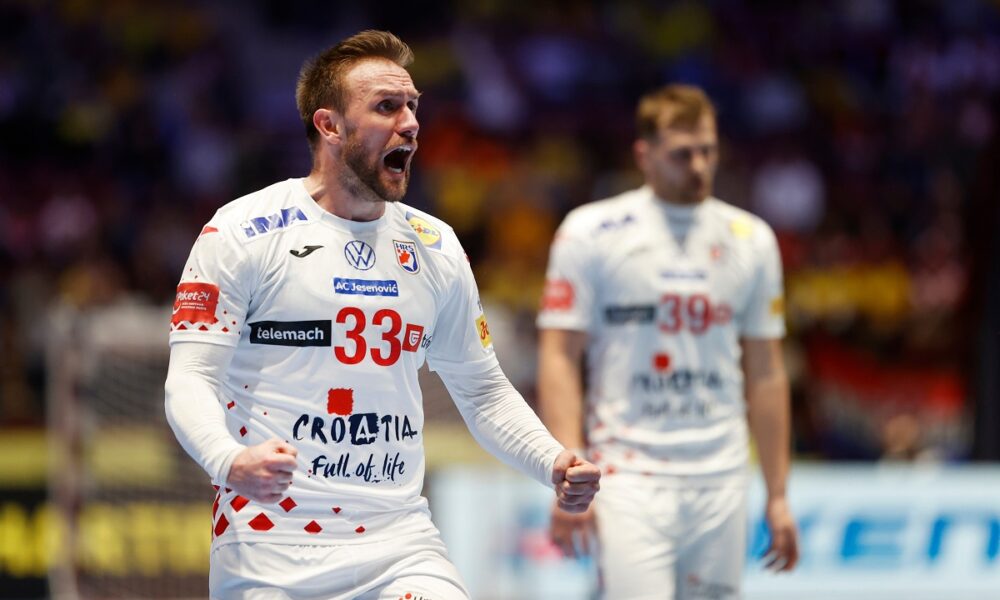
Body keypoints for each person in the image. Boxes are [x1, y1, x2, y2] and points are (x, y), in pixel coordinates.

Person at [164, 30, 600, 600]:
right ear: (330, 126)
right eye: (387, 107)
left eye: (413, 106)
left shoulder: (435, 245)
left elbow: (483, 391)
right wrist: (229, 461)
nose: (411, 124)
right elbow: (190, 377)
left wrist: (553, 463)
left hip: (399, 543)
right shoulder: (242, 231)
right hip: (268, 547)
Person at [536, 83, 798, 599]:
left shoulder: (753, 240)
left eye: (708, 151)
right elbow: (559, 356)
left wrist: (778, 495)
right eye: (682, 154)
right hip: (626, 475)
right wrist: (568, 473)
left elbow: (767, 372)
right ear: (645, 155)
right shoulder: (590, 232)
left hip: (722, 475)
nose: (699, 166)